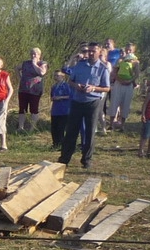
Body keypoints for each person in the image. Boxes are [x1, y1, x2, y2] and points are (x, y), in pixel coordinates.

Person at [59, 42, 112, 170]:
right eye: (89, 51)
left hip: (93, 102)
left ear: (99, 52)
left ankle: (86, 160)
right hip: (77, 100)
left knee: (89, 132)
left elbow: (107, 88)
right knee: (71, 131)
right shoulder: (80, 65)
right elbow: (70, 81)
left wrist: (94, 88)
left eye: (94, 51)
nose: (91, 53)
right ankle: (64, 159)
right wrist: (76, 85)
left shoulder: (103, 68)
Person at [110, 42, 140, 131]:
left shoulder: (135, 62)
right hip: (118, 83)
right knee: (114, 102)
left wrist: (129, 81)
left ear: (133, 51)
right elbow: (114, 72)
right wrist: (120, 80)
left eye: (130, 50)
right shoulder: (120, 60)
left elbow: (137, 74)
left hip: (129, 84)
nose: (128, 51)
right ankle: (111, 124)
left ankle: (122, 124)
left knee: (125, 104)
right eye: (127, 49)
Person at [16, 48, 48, 133]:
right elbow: (17, 68)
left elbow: (42, 72)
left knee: (34, 109)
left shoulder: (42, 63)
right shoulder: (25, 63)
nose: (33, 55)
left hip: (35, 90)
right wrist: (20, 78)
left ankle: (32, 128)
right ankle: (20, 127)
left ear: (39, 55)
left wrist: (34, 64)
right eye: (32, 54)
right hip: (23, 89)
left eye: (35, 54)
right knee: (22, 108)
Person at [48, 69, 71, 149]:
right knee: (54, 128)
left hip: (63, 110)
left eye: (57, 75)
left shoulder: (66, 85)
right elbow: (51, 96)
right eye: (55, 75)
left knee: (61, 128)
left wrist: (60, 97)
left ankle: (61, 144)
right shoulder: (54, 86)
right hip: (55, 110)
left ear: (62, 76)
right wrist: (54, 98)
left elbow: (70, 96)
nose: (55, 77)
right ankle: (55, 144)